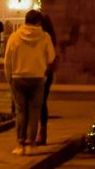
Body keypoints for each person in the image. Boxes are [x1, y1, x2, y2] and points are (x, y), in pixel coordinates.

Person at [4, 9, 56, 156]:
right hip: (37, 78)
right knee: (34, 111)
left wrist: (9, 79)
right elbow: (51, 58)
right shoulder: (45, 37)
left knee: (21, 111)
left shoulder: (14, 37)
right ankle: (31, 143)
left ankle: (20, 144)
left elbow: (8, 61)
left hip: (18, 77)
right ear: (38, 22)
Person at [36, 14, 58, 145]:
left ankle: (42, 131)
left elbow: (51, 57)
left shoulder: (47, 37)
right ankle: (35, 131)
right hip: (34, 72)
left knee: (41, 102)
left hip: (45, 72)